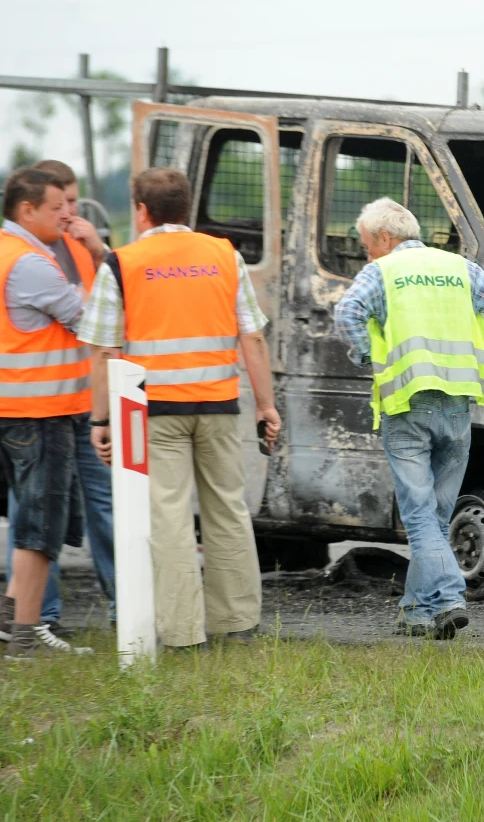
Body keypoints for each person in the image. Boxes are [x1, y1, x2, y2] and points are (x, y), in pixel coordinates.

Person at [79, 167, 282, 648]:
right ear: (187, 208)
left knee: (168, 518)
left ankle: (183, 634)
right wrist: (266, 407)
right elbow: (251, 335)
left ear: (141, 210)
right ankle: (236, 625)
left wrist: (101, 419)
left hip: (154, 411)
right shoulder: (224, 255)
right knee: (227, 510)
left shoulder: (120, 262)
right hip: (217, 404)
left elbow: (104, 351)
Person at [333, 197, 484, 637]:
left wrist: (368, 355)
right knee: (437, 517)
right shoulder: (459, 269)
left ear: (385, 237)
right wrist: (480, 357)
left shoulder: (381, 272)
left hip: (407, 404)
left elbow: (347, 313)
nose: (366, 254)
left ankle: (451, 596)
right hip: (457, 405)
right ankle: (418, 612)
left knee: (419, 515)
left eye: (366, 245)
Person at [2, 160, 116, 632]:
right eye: (56, 206)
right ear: (27, 210)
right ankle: (27, 633)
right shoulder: (31, 263)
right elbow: (93, 320)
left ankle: (15, 627)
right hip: (41, 411)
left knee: (33, 523)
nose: (65, 214)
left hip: (27, 409)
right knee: (38, 531)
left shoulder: (13, 251)